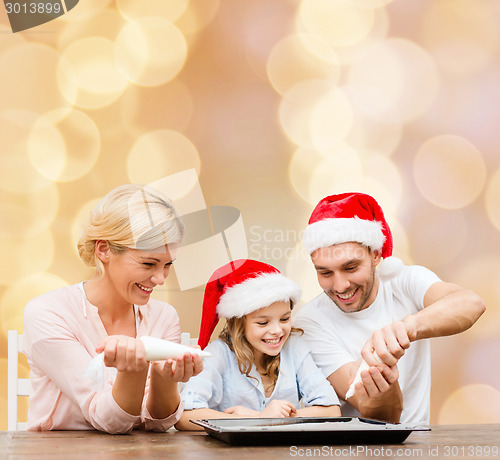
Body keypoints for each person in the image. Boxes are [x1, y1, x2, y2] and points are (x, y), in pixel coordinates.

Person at [23, 184, 203, 434]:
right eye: (149, 263)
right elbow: (108, 420)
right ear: (104, 249)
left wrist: (165, 379)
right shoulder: (48, 313)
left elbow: (158, 424)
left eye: (167, 265)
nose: (161, 279)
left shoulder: (164, 317)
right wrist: (134, 369)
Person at [294, 192, 486, 425]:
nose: (340, 285)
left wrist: (406, 328)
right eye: (325, 272)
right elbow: (377, 415)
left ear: (375, 255)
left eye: (351, 267)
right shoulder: (310, 322)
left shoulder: (405, 281)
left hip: (418, 446)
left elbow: (471, 303)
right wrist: (384, 382)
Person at [175, 259, 341, 431]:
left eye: (284, 319)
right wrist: (261, 417)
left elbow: (332, 411)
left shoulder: (294, 347)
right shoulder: (218, 353)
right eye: (263, 323)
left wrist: (268, 419)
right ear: (238, 323)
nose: (277, 330)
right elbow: (186, 417)